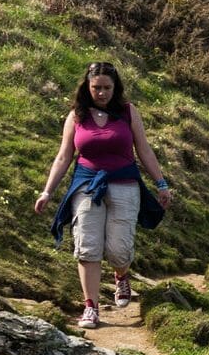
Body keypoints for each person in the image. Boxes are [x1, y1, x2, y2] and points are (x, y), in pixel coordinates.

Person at [32, 61, 170, 328]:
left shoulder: (129, 112)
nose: (102, 93)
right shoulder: (76, 116)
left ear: (115, 87)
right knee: (87, 246)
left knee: (119, 250)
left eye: (107, 87)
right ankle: (91, 307)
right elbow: (64, 157)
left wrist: (161, 183)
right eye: (97, 88)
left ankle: (121, 275)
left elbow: (144, 150)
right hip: (86, 185)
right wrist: (47, 191)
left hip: (125, 184)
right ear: (87, 87)